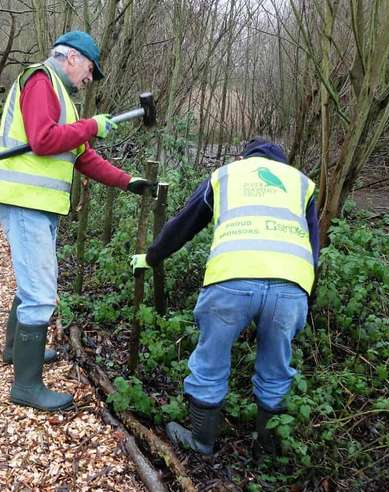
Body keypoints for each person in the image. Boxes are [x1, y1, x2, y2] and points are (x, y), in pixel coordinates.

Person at [0, 31, 154, 412]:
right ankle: (26, 387)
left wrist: (129, 181)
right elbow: (44, 140)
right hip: (25, 201)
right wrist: (93, 126)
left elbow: (83, 158)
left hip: (39, 204)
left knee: (32, 280)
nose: (89, 79)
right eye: (91, 70)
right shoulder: (42, 81)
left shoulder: (64, 101)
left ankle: (16, 352)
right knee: (42, 291)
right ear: (72, 58)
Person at [131, 138, 319, 457]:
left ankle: (202, 440)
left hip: (231, 279)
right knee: (277, 365)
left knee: (211, 359)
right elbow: (313, 249)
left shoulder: (226, 175)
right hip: (291, 286)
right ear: (282, 163)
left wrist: (152, 256)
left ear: (243, 156)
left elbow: (184, 224)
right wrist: (307, 298)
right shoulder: (301, 183)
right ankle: (266, 448)